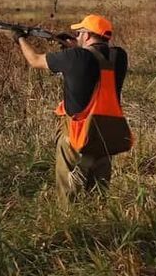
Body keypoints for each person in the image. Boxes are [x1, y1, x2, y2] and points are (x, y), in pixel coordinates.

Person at [16, 13, 132, 199]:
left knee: (68, 194)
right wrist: (74, 47)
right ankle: (101, 223)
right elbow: (95, 60)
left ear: (86, 36)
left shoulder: (75, 57)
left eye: (80, 34)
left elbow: (34, 60)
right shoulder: (119, 57)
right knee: (98, 194)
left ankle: (68, 222)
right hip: (106, 133)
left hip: (76, 135)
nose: (77, 37)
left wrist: (20, 38)